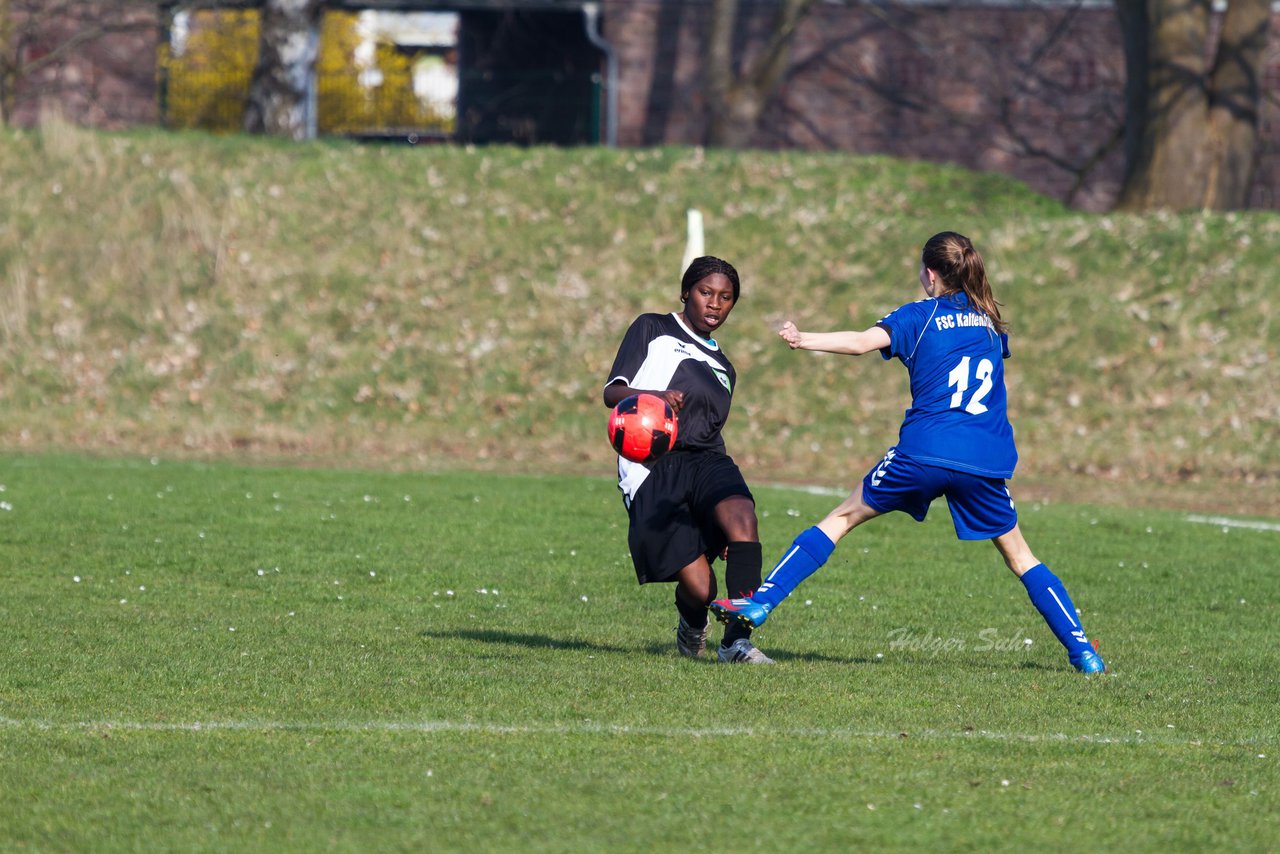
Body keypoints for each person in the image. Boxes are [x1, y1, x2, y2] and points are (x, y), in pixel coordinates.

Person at [709, 232, 1106, 674]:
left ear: (931, 274)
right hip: (983, 460)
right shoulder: (990, 321)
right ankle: (1084, 653)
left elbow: (862, 342)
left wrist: (803, 339)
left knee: (842, 518)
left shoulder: (918, 315)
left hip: (924, 452)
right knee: (1020, 556)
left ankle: (762, 602)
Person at [603, 256, 773, 664]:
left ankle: (736, 642)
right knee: (700, 589)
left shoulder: (725, 367)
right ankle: (692, 625)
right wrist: (656, 398)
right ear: (685, 292)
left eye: (726, 297)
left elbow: (708, 429)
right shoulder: (653, 328)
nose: (715, 304)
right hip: (653, 469)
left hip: (707, 459)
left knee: (742, 518)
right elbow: (613, 393)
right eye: (706, 292)